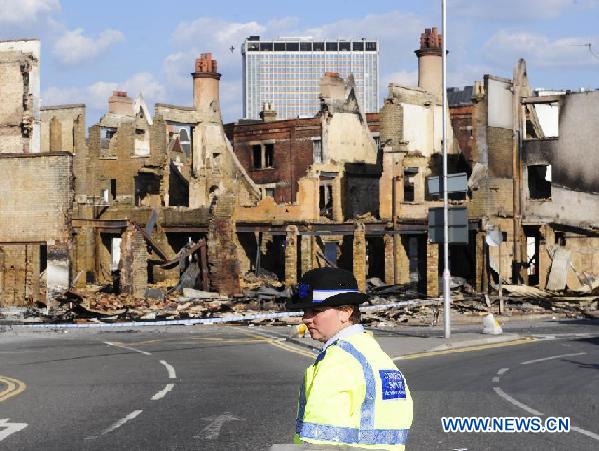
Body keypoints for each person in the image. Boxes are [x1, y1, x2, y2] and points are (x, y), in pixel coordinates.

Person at [287, 267, 413, 450]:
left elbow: (320, 442)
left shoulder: (337, 361)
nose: (306, 319)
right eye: (305, 311)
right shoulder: (374, 354)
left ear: (345, 312)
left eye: (315, 310)